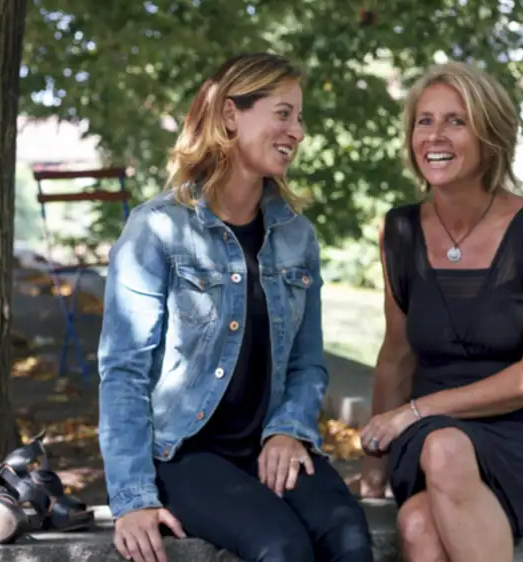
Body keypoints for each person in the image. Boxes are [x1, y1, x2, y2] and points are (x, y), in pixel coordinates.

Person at [97, 52, 374, 562]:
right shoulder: (157, 229)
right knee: (282, 548)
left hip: (266, 444)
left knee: (350, 538)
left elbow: (308, 363)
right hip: (184, 453)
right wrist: (132, 499)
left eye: (299, 116)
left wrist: (290, 431)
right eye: (283, 113)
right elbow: (124, 373)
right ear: (230, 115)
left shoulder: (297, 236)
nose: (298, 130)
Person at [357, 61, 523, 562]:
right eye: (425, 120)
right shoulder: (399, 232)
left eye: (457, 121)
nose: (436, 135)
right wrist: (374, 464)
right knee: (436, 463)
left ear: (490, 136)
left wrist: (414, 412)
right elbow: (396, 354)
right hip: (433, 439)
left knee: (419, 522)